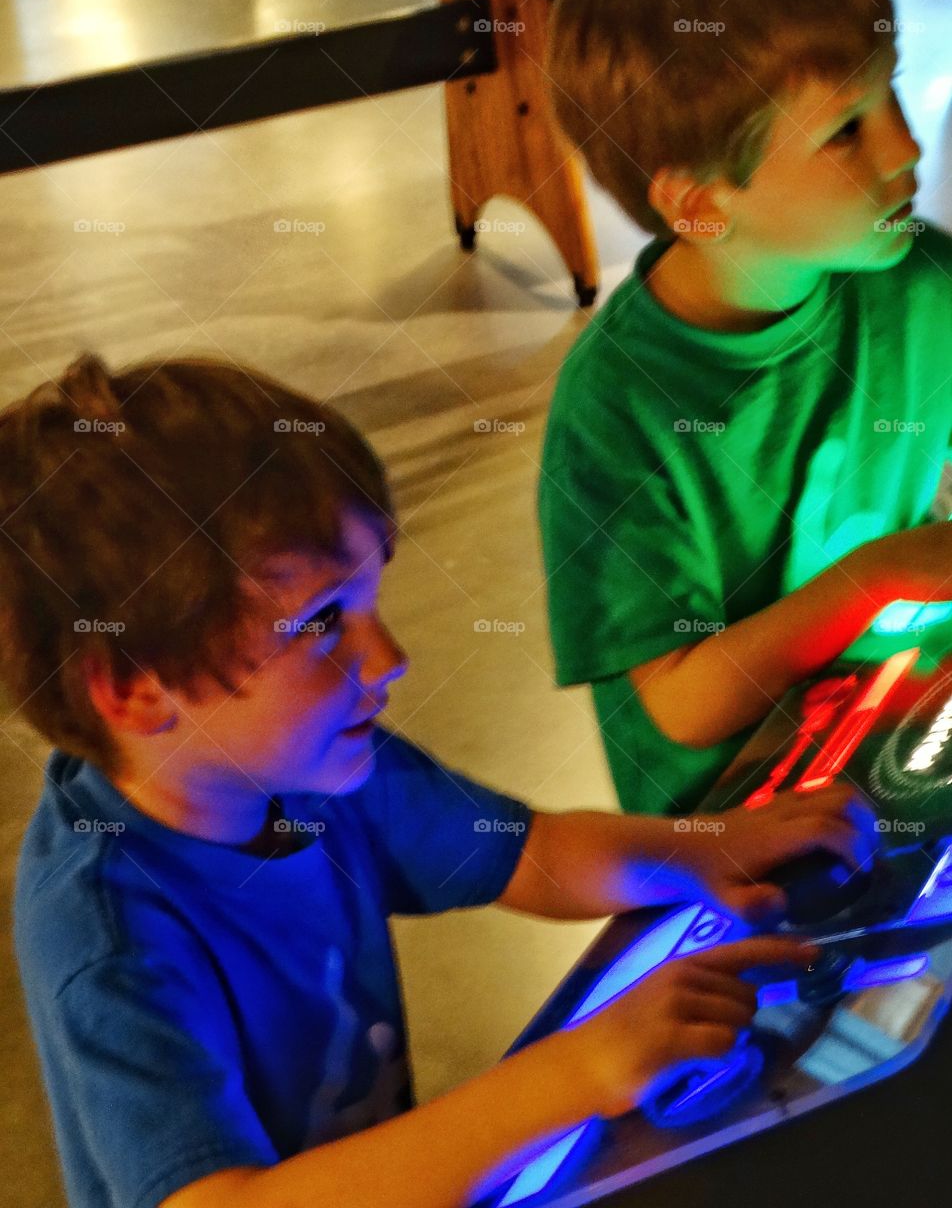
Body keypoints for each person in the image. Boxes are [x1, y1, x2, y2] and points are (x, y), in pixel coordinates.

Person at [8, 352, 874, 1208]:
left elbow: (530, 854)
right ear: (134, 686)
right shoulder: (107, 936)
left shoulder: (313, 768)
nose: (389, 656)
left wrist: (704, 847)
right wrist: (572, 1073)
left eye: (369, 603)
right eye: (321, 622)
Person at [537, 0, 952, 815]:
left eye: (891, 95)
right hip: (742, 815)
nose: (905, 149)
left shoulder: (920, 280)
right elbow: (685, 703)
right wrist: (881, 574)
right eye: (846, 131)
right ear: (698, 202)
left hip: (908, 725)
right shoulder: (615, 410)